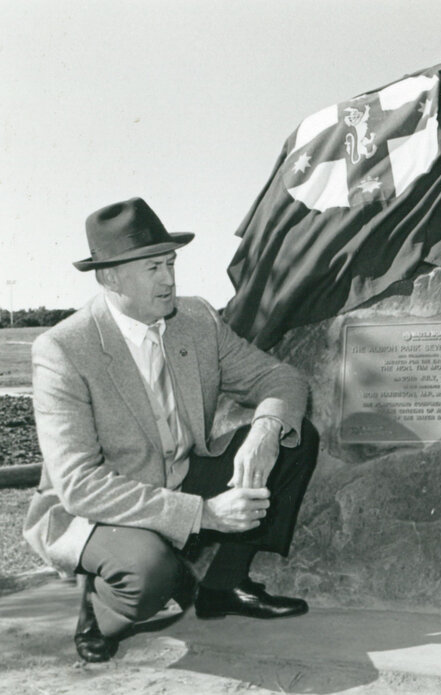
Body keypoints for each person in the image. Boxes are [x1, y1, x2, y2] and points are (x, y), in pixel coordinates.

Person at [23, 198, 320, 662]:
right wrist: (203, 513)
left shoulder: (196, 319)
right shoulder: (63, 349)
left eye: (170, 263)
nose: (169, 278)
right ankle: (99, 610)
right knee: (149, 574)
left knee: (292, 435)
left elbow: (282, 379)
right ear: (110, 277)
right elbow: (80, 486)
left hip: (178, 477)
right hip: (99, 507)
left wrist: (264, 431)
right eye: (152, 268)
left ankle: (223, 585)